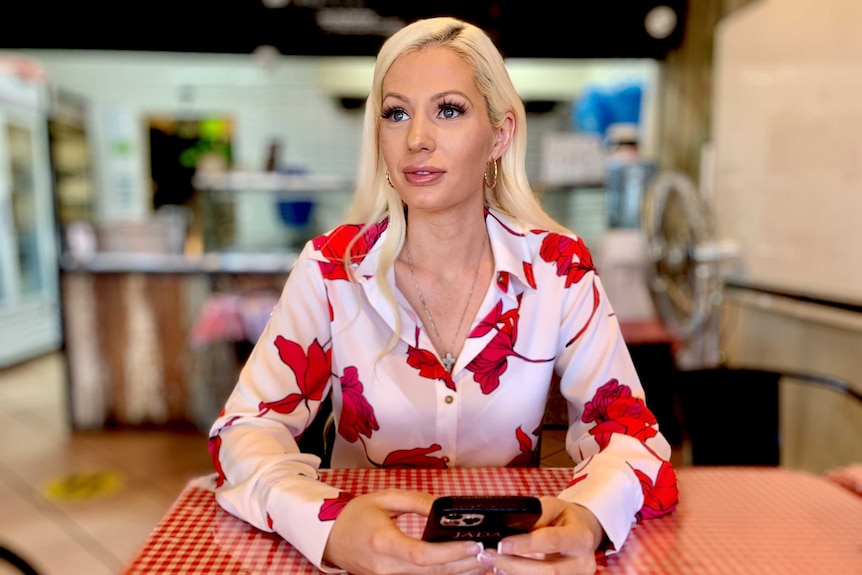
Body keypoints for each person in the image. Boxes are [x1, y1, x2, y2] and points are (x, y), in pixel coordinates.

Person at [209, 16, 678, 575]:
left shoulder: (558, 268)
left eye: (448, 110)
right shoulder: (331, 270)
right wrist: (328, 524)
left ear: (500, 135)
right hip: (368, 562)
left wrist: (589, 518)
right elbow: (244, 431)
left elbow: (631, 436)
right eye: (396, 113)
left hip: (511, 562)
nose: (417, 139)